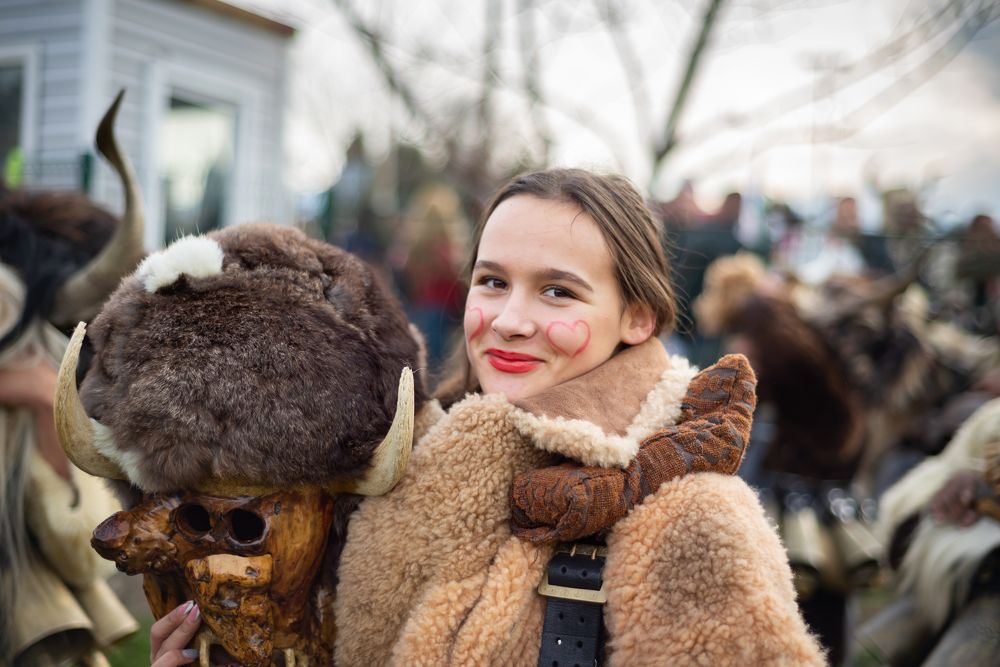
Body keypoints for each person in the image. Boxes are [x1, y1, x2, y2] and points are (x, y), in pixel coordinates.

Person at [150, 169, 822, 666]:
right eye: (493, 280)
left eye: (557, 290)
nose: (509, 319)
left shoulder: (692, 516)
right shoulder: (391, 477)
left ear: (638, 316)